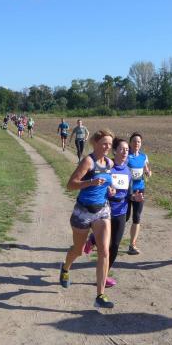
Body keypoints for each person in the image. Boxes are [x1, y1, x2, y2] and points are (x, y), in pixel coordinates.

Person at [59, 129, 116, 309]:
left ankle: (100, 295)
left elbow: (107, 183)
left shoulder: (109, 163)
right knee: (78, 250)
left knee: (104, 251)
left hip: (102, 211)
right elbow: (70, 185)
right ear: (95, 143)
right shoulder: (88, 161)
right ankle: (65, 268)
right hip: (83, 212)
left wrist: (110, 189)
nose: (107, 147)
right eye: (104, 143)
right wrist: (90, 182)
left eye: (109, 144)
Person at [82, 137, 144, 286]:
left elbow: (128, 193)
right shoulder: (108, 167)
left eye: (127, 150)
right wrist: (106, 191)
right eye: (122, 149)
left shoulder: (128, 171)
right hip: (105, 211)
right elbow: (95, 188)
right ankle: (93, 240)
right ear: (115, 151)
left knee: (115, 246)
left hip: (121, 212)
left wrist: (134, 197)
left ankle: (104, 275)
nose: (125, 152)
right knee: (105, 247)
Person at [126, 132, 152, 255]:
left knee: (137, 217)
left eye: (139, 142)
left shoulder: (143, 156)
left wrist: (148, 173)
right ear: (130, 143)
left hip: (139, 190)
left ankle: (132, 245)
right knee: (124, 217)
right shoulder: (126, 156)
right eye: (134, 141)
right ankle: (98, 239)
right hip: (126, 191)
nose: (136, 143)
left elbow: (146, 169)